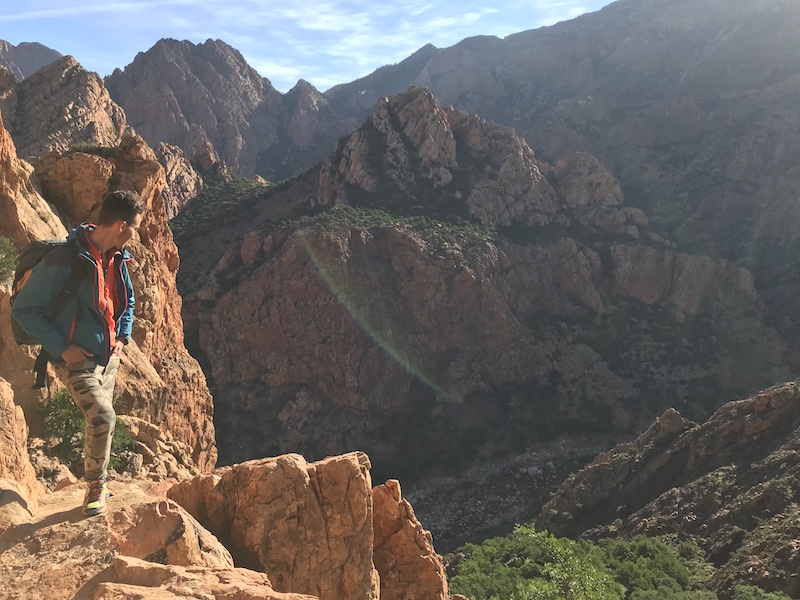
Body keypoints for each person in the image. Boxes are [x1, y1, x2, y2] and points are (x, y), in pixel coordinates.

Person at [12, 190, 143, 516]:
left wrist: (123, 338)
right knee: (103, 417)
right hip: (75, 360)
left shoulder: (117, 257)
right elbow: (25, 310)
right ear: (122, 225)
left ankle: (98, 481)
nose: (136, 235)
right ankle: (95, 488)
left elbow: (126, 301)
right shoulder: (65, 258)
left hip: (108, 356)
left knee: (99, 422)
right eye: (136, 228)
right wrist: (63, 348)